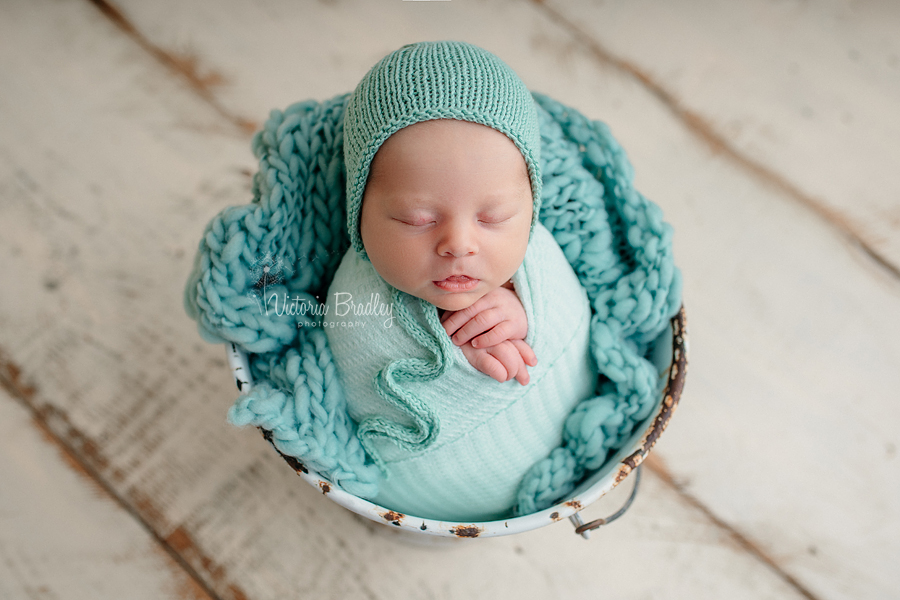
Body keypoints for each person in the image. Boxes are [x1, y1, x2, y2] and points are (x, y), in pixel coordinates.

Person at [322, 41, 596, 521]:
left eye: (494, 217)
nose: (459, 244)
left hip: (571, 456)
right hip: (410, 502)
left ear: (531, 208)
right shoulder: (354, 298)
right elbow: (351, 368)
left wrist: (523, 310)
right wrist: (450, 360)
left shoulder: (540, 258)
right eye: (416, 218)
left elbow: (572, 322)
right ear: (358, 211)